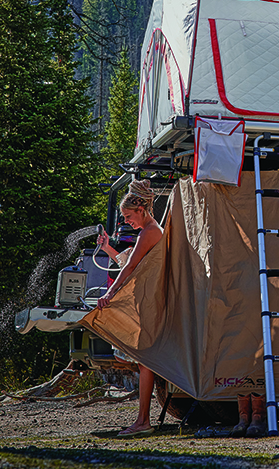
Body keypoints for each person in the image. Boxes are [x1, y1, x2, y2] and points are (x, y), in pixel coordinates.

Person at [95, 179, 164, 438]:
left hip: (150, 302)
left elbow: (132, 266)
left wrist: (110, 293)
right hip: (146, 300)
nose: (126, 221)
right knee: (143, 360)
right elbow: (130, 261)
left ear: (142, 210)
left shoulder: (150, 231)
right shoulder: (147, 231)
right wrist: (107, 248)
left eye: (128, 216)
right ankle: (142, 418)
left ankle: (143, 420)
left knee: (145, 360)